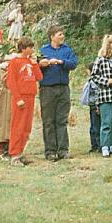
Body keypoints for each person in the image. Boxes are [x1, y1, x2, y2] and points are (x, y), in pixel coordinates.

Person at [38, 25, 78, 161]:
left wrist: (61, 62)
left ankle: (63, 150)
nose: (62, 36)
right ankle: (50, 151)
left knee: (61, 120)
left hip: (63, 88)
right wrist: (42, 64)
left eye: (62, 34)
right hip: (47, 88)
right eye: (60, 34)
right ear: (52, 36)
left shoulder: (67, 50)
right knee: (48, 120)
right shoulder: (43, 50)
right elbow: (36, 65)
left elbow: (73, 63)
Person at [6, 36, 43, 166]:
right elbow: (11, 81)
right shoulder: (14, 62)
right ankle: (14, 154)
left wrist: (35, 64)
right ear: (23, 48)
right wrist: (18, 98)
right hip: (20, 98)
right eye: (30, 47)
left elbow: (39, 77)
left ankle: (20, 152)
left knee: (27, 127)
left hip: (30, 96)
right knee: (18, 126)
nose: (32, 50)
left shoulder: (30, 61)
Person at [0, 59, 12, 159]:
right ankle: (0, 150)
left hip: (13, 97)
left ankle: (10, 148)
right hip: (4, 97)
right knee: (2, 123)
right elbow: (6, 81)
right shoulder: (3, 67)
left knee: (10, 123)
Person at [83, 62, 100, 153]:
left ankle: (98, 145)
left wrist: (97, 105)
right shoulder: (90, 80)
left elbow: (97, 93)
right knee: (93, 126)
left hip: (95, 105)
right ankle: (94, 145)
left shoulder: (94, 81)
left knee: (96, 126)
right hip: (92, 105)